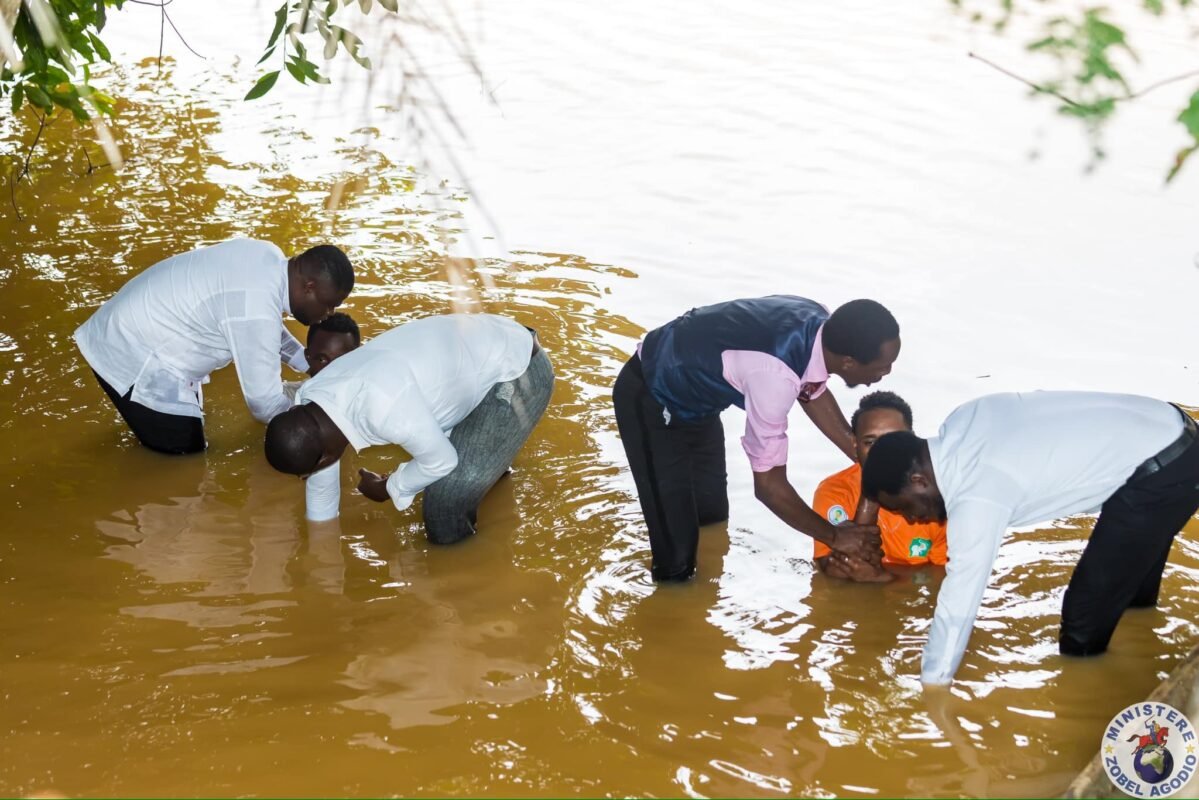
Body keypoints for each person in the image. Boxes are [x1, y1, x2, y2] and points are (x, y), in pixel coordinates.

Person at [860, 391, 1199, 686]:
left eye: (903, 507)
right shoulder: (965, 417)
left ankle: (1086, 690)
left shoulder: (977, 496)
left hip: (1161, 471)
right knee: (1130, 587)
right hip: (1171, 429)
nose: (912, 519)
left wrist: (933, 685)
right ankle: (1146, 639)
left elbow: (959, 604)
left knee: (1083, 620)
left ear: (918, 481)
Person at [613, 295, 901, 582]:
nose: (886, 372)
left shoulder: (821, 323)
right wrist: (835, 536)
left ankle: (706, 588)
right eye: (882, 366)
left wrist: (861, 454)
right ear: (849, 363)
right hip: (653, 395)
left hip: (700, 400)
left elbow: (811, 389)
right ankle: (671, 614)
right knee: (676, 561)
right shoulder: (774, 376)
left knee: (712, 518)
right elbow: (768, 487)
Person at [264, 313, 554, 544]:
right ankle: (490, 467)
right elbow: (321, 495)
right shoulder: (311, 398)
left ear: (324, 459)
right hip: (477, 359)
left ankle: (460, 582)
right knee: (460, 470)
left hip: (516, 372)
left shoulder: (385, 409)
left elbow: (442, 461)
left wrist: (390, 487)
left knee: (443, 503)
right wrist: (323, 564)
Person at [75, 238, 354, 454]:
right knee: (185, 466)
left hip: (132, 332)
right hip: (136, 357)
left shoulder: (268, 256)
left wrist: (309, 365)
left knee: (176, 444)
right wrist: (322, 424)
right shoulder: (254, 306)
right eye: (329, 303)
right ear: (308, 287)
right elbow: (264, 404)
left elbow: (264, 327)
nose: (329, 313)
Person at [813, 391, 947, 582]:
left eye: (893, 440)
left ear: (911, 441)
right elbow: (832, 570)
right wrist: (871, 495)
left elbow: (943, 578)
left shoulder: (934, 494)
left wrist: (884, 578)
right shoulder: (834, 492)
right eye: (870, 442)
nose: (883, 453)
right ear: (855, 444)